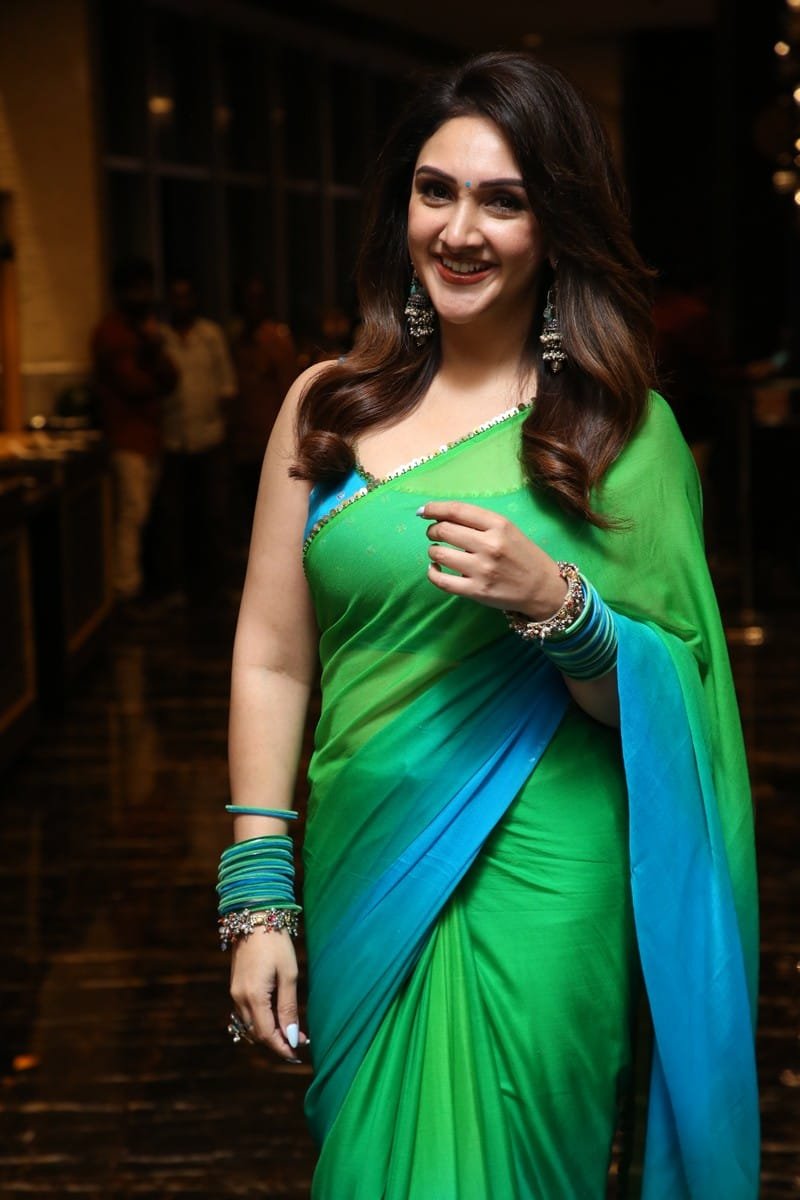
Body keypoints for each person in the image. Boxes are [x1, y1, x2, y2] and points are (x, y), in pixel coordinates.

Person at [220, 53, 759, 1199]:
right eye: (435, 191)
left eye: (502, 201)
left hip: (546, 871)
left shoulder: (617, 433)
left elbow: (674, 698)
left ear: (554, 228)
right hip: (365, 857)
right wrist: (255, 897)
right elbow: (270, 657)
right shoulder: (326, 406)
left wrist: (560, 608)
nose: (458, 231)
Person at [92, 257, 178, 605]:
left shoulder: (145, 331)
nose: (143, 296)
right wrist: (152, 352)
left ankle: (137, 589)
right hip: (126, 438)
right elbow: (135, 384)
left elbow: (171, 379)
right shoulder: (112, 332)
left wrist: (154, 347)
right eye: (136, 289)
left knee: (143, 518)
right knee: (131, 515)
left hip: (150, 437)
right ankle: (125, 594)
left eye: (146, 288)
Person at [156, 276, 237, 604]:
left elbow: (227, 386)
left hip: (209, 436)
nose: (181, 304)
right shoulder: (160, 338)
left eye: (186, 296)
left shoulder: (210, 335)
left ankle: (217, 586)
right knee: (174, 518)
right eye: (175, 297)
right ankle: (176, 586)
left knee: (214, 514)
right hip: (172, 438)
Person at [228, 276, 299, 537]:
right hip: (242, 439)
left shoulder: (277, 339)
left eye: (257, 300)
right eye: (247, 300)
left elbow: (288, 387)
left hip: (271, 437)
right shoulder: (236, 339)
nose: (252, 306)